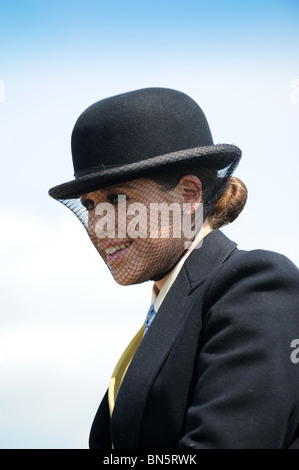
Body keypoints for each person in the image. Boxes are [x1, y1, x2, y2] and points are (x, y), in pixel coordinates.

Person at [49, 87, 299, 449]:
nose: (98, 226)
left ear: (188, 195)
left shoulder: (255, 285)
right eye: (90, 205)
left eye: (119, 200)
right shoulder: (164, 312)